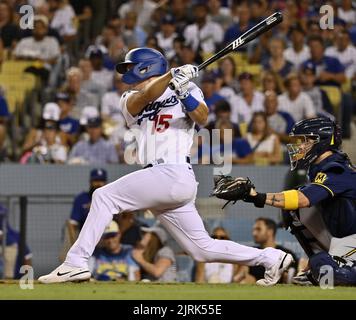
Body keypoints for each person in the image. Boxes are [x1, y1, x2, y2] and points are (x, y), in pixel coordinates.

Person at [39, 47, 292, 286]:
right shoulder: (128, 97)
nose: (127, 73)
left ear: (146, 68)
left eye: (132, 67)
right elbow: (147, 95)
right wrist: (172, 76)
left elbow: (203, 119)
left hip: (173, 172)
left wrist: (182, 91)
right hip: (162, 179)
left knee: (103, 197)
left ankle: (75, 262)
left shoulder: (187, 87)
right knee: (201, 249)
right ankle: (271, 258)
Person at [213, 117, 356, 286]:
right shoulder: (320, 167)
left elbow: (303, 200)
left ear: (320, 141)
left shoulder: (337, 169)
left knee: (329, 271)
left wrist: (256, 196)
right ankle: (321, 267)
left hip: (352, 238)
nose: (298, 146)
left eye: (303, 141)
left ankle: (328, 267)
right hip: (342, 236)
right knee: (292, 210)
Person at [235, 218, 298, 284]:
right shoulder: (251, 253)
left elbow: (292, 275)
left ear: (270, 231)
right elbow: (240, 276)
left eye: (258, 229)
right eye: (253, 230)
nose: (254, 233)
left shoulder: (286, 254)